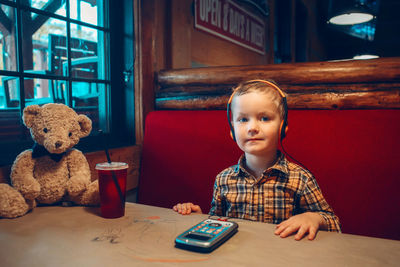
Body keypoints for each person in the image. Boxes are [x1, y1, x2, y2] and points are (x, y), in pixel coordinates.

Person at [173, 80, 341, 240]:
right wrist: (199, 217)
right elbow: (218, 223)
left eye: (264, 118)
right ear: (232, 130)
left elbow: (334, 224)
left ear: (283, 128)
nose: (252, 128)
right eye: (243, 119)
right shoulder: (223, 179)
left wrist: (314, 218)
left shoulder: (300, 179)